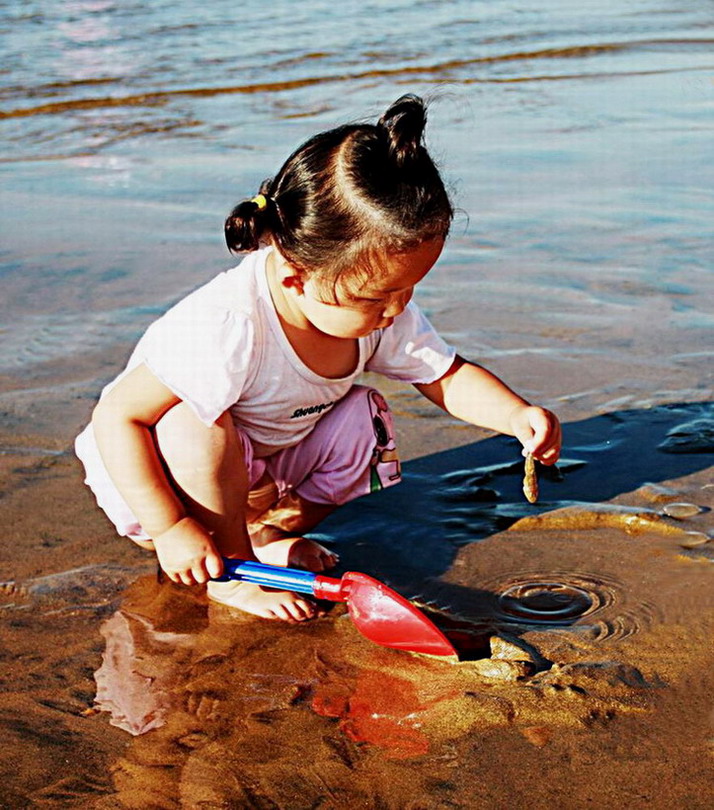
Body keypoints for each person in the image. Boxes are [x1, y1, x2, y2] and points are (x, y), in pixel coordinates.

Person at [75, 94, 561, 624]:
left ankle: (268, 535)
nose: (396, 309)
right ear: (294, 276)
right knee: (192, 421)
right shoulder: (229, 325)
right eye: (376, 296)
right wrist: (169, 527)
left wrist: (516, 415)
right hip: (161, 480)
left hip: (264, 468)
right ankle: (233, 568)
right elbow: (117, 417)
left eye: (409, 288)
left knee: (365, 415)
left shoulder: (379, 311)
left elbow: (443, 374)